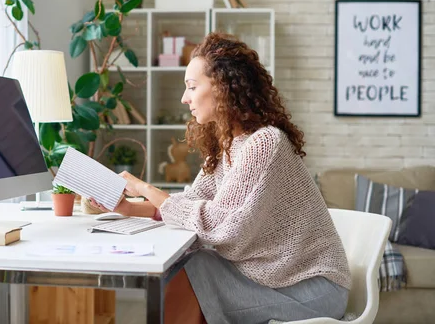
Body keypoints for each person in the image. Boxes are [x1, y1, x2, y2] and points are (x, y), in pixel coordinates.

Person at [90, 32, 351, 324]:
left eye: (191, 87)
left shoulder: (264, 142)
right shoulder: (227, 143)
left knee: (198, 270)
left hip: (311, 288)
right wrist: (128, 208)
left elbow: (221, 225)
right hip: (270, 278)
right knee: (196, 266)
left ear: (223, 88)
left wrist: (144, 188)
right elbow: (189, 204)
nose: (184, 98)